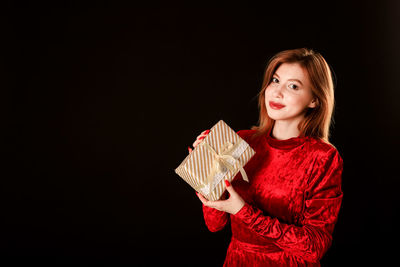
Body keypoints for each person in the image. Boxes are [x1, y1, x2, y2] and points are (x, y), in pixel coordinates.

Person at [188, 48, 343, 266]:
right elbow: (215, 224)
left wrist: (243, 212)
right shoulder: (242, 141)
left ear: (314, 100)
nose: (277, 92)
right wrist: (206, 167)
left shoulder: (323, 157)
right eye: (275, 80)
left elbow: (314, 247)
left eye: (293, 86)